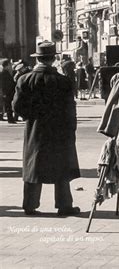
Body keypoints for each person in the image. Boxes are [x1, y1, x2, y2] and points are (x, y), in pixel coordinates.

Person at [12, 41, 81, 216]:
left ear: (37, 59)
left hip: (35, 130)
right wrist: (70, 129)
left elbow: (17, 106)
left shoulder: (24, 79)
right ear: (53, 59)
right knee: (61, 166)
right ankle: (64, 205)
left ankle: (30, 205)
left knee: (33, 166)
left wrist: (31, 117)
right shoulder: (63, 81)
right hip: (59, 130)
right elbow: (70, 109)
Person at [0, 59, 16, 123]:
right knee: (8, 105)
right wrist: (3, 92)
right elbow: (3, 84)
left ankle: (10, 118)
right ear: (7, 65)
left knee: (8, 105)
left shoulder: (6, 72)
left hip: (8, 91)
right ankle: (10, 119)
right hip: (7, 92)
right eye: (9, 64)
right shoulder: (3, 73)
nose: (11, 66)